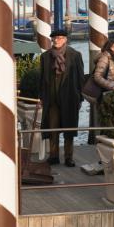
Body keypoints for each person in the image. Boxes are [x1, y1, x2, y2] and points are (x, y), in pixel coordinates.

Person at [39, 29, 84, 167]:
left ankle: (69, 157)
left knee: (69, 129)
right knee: (53, 129)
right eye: (54, 38)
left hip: (70, 98)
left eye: (59, 38)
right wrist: (41, 98)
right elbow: (41, 79)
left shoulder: (75, 55)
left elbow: (81, 78)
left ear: (65, 39)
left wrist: (80, 97)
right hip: (51, 99)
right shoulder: (46, 56)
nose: (56, 40)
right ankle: (53, 156)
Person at [89, 39, 114, 144]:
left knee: (109, 122)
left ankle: (106, 149)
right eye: (113, 47)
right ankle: (103, 150)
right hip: (106, 94)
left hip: (111, 93)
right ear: (108, 47)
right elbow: (97, 76)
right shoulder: (105, 57)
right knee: (107, 123)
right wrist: (112, 85)